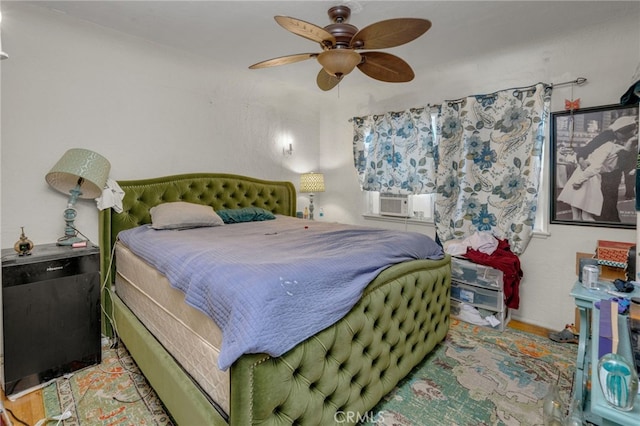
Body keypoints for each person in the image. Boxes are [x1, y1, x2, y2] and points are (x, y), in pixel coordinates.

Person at [558, 116, 638, 221]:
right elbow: (587, 150)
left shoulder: (630, 144)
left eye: (630, 135)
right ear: (618, 132)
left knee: (601, 211)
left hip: (605, 178)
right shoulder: (607, 139)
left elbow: (626, 166)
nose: (624, 138)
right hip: (591, 176)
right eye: (623, 135)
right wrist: (582, 160)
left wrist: (628, 149)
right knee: (585, 213)